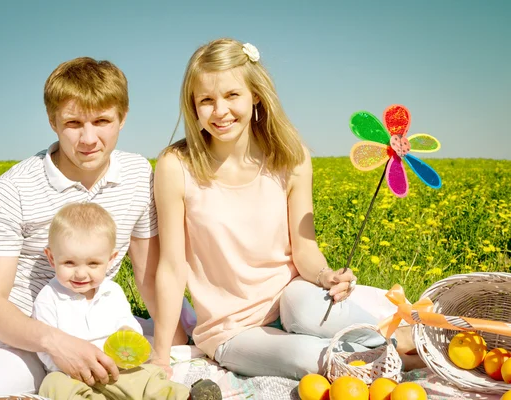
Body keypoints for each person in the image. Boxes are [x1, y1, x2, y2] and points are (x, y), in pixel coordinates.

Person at [0, 57, 187, 400]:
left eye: (102, 121)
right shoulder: (12, 188)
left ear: (123, 118)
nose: (88, 138)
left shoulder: (137, 176)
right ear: (52, 121)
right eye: (73, 123)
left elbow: (148, 276)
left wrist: (175, 341)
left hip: (43, 341)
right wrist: (56, 342)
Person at [151, 38, 418, 380]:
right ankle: (405, 360)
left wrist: (325, 276)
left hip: (291, 297)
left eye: (232, 95)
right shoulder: (176, 166)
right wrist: (160, 355)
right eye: (206, 100)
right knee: (312, 359)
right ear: (193, 106)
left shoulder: (291, 158)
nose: (219, 111)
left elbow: (304, 249)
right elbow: (172, 267)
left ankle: (413, 336)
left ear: (255, 95)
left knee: (306, 310)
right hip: (231, 330)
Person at [34, 202, 196, 400]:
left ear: (110, 260)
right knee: (53, 385)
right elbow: (44, 349)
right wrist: (68, 366)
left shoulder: (112, 292)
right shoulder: (48, 297)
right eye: (69, 263)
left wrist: (127, 335)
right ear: (51, 258)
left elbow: (128, 325)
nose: (81, 273)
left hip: (117, 370)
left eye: (93, 263)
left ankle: (182, 396)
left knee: (147, 376)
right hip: (73, 374)